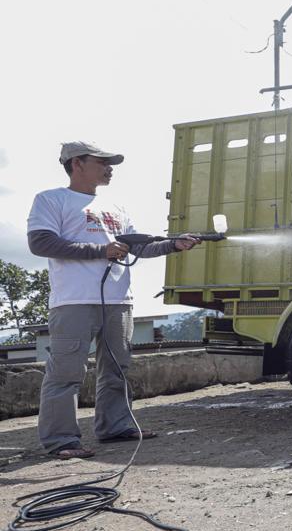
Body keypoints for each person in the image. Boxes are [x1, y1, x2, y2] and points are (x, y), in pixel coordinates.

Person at [27, 142, 202, 460]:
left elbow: (138, 247)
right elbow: (41, 242)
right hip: (73, 301)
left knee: (117, 369)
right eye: (102, 162)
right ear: (76, 163)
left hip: (119, 300)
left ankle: (115, 427)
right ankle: (61, 439)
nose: (110, 168)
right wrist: (99, 251)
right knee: (67, 371)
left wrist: (173, 244)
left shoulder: (117, 206)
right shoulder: (52, 199)